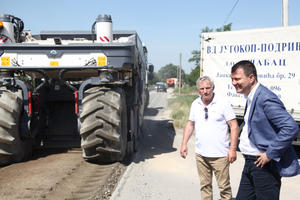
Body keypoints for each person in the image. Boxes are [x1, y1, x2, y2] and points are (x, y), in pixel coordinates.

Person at [231, 60, 300, 200]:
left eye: (237, 79)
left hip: (264, 166)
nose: (233, 83)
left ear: (251, 78)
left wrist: (270, 153)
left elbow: (290, 127)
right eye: (232, 79)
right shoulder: (250, 97)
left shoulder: (265, 98)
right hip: (250, 163)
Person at [180, 76, 239, 200]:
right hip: (201, 155)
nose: (205, 91)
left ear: (213, 88)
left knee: (224, 188)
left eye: (208, 88)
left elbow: (234, 126)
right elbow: (190, 125)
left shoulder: (223, 103)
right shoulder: (195, 104)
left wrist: (232, 149)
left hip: (220, 156)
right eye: (202, 89)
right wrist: (184, 144)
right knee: (205, 186)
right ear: (198, 90)